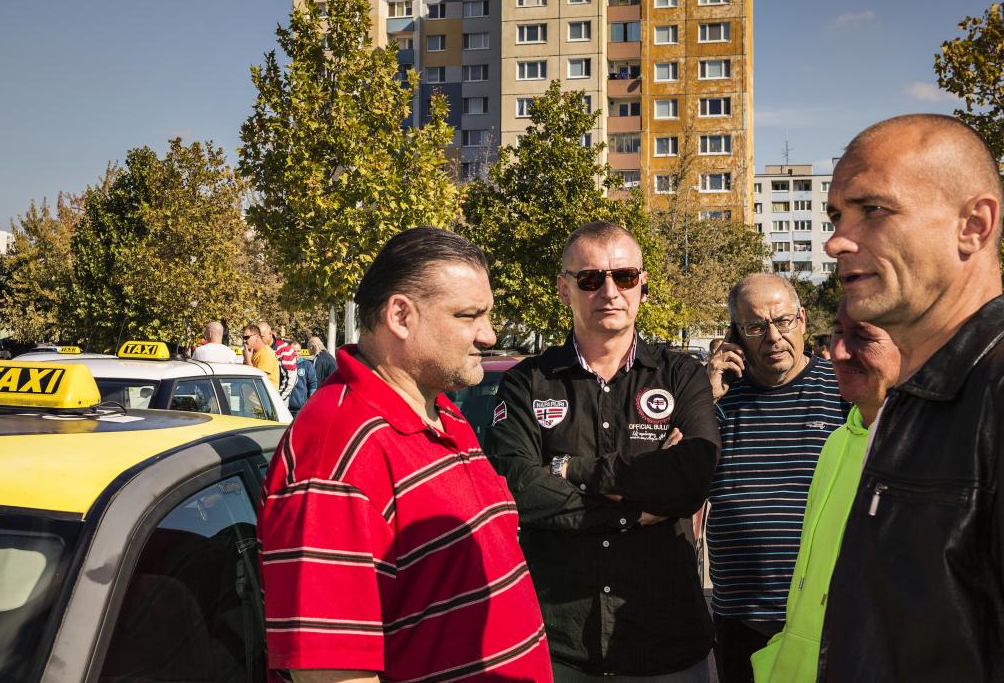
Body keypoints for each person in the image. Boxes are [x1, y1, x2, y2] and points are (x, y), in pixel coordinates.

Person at [259, 227, 552, 682]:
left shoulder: (441, 412)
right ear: (401, 315)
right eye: (469, 315)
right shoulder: (337, 451)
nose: (489, 335)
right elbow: (330, 674)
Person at [486, 221, 718, 681]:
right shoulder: (527, 381)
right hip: (556, 645)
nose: (609, 291)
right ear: (563, 288)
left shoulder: (681, 375)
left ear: (643, 287)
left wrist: (568, 470)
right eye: (590, 279)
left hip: (668, 642)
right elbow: (516, 485)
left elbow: (692, 475)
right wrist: (634, 507)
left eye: (624, 277)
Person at [818, 114, 1004, 681]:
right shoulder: (908, 397)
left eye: (873, 210)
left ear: (973, 224)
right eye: (836, 215)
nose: (835, 241)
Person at [704, 274, 847, 683]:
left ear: (802, 320)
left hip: (826, 618)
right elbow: (670, 475)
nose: (773, 336)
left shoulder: (840, 390)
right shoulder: (718, 399)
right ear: (735, 334)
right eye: (755, 326)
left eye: (782, 321)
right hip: (741, 621)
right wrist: (704, 397)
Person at [751, 307, 899, 683]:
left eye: (863, 337)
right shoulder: (836, 441)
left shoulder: (943, 450)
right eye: (837, 334)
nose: (840, 352)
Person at [259, 320, 298, 402]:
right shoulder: (256, 348)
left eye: (261, 337)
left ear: (270, 334)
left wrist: (277, 400)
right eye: (257, 336)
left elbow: (290, 378)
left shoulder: (284, 350)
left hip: (278, 398)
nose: (259, 339)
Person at [241, 323, 279, 391]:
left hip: (263, 400)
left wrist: (248, 360)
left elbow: (257, 380)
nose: (244, 340)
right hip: (251, 400)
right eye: (243, 337)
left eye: (246, 337)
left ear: (257, 337)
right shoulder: (251, 353)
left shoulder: (266, 353)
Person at [286, 341, 319, 416]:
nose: (297, 353)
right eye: (294, 351)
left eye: (298, 351)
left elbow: (313, 384)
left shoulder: (307, 365)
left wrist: (311, 403)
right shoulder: (284, 364)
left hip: (300, 407)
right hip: (285, 406)